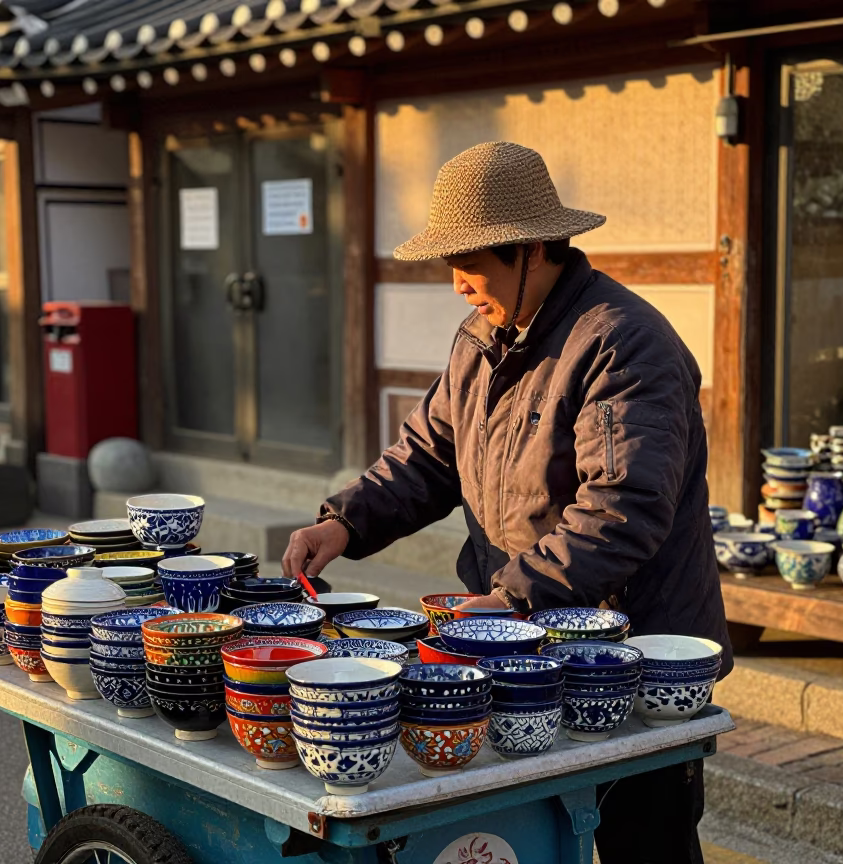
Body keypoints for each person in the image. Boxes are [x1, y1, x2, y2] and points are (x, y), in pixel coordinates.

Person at [281, 141, 731, 864]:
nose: (458, 285)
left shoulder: (622, 343)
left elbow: (620, 509)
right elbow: (428, 455)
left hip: (629, 657)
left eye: (471, 264)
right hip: (518, 643)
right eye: (449, 266)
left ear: (532, 249)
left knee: (643, 844)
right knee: (527, 840)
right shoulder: (482, 337)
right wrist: (344, 520)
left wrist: (515, 596)